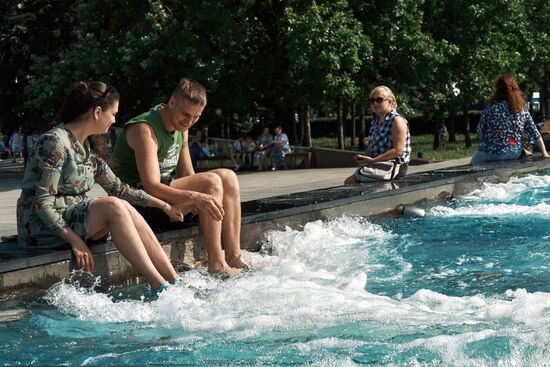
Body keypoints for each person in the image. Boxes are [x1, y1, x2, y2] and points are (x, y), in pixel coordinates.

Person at [16, 81, 185, 296]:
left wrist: (164, 205)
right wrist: (75, 241)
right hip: (40, 229)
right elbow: (43, 204)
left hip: (71, 219)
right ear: (97, 112)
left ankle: (173, 280)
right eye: (113, 113)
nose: (115, 119)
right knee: (113, 206)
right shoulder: (54, 143)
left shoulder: (87, 145)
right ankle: (158, 285)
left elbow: (119, 188)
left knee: (120, 204)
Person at [112, 78, 248, 275]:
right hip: (139, 205)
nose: (189, 121)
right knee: (211, 182)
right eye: (186, 114)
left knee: (227, 177)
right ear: (172, 102)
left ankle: (234, 257)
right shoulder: (144, 128)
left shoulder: (181, 126)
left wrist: (202, 200)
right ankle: (217, 264)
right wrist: (196, 198)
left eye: (196, 117)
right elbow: (151, 186)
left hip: (164, 197)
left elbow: (187, 175)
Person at [470, 75, 550, 165]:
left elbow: (480, 133)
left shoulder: (490, 108)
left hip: (490, 152)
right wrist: (544, 152)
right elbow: (534, 132)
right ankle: (522, 151)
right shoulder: (522, 109)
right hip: (513, 152)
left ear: (497, 90)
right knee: (513, 143)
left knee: (472, 166)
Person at [344, 85, 411, 184]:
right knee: (352, 182)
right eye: (372, 100)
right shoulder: (375, 122)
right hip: (378, 164)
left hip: (394, 167)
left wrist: (372, 160)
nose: (375, 103)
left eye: (379, 100)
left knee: (350, 182)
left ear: (390, 101)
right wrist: (365, 156)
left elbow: (398, 151)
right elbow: (375, 147)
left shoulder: (397, 120)